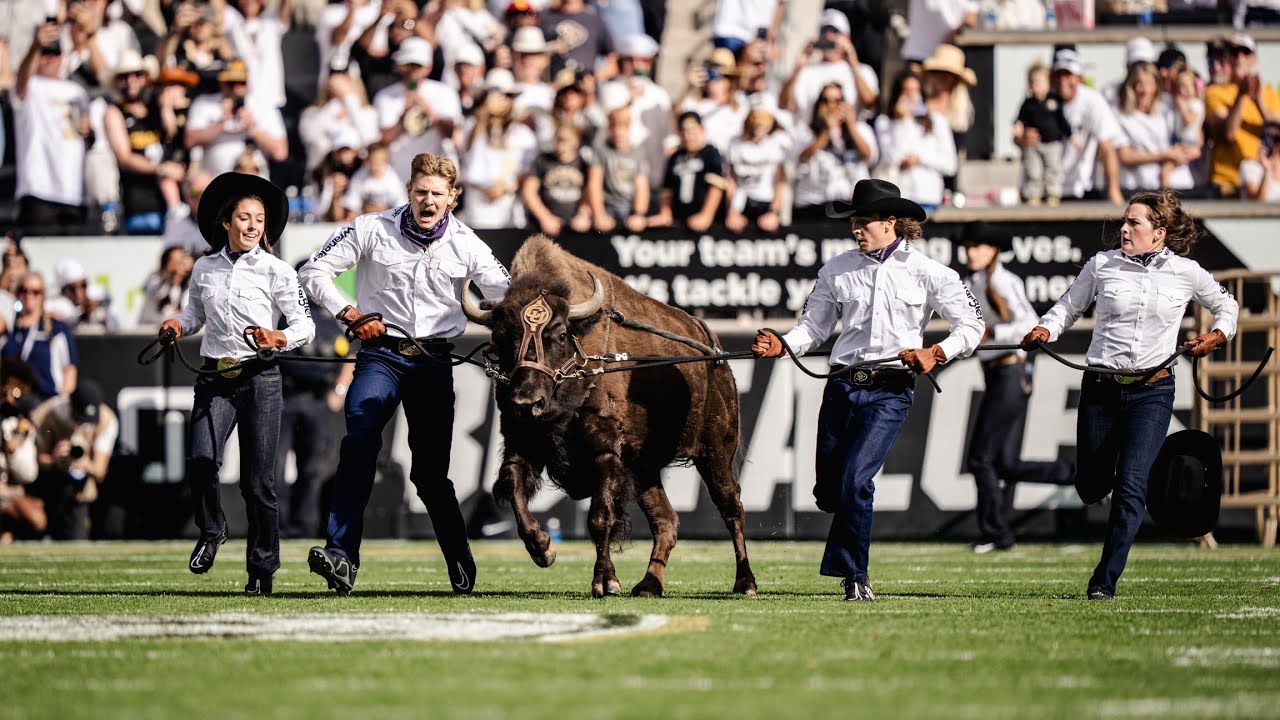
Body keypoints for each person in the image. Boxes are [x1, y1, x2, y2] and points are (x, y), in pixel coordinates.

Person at [752, 179, 984, 601]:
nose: (856, 229)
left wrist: (938, 352)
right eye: (853, 222)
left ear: (891, 223)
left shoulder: (932, 272)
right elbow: (814, 326)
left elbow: (972, 325)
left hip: (890, 389)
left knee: (857, 480)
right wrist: (783, 345)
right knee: (830, 490)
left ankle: (855, 575)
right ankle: (847, 545)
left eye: (863, 221)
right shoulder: (836, 269)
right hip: (842, 385)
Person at [298, 152, 510, 595]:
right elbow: (313, 271)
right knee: (359, 440)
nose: (427, 201)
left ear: (453, 198)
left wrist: (505, 332)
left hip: (433, 362)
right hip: (380, 354)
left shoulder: (470, 245)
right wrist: (350, 313)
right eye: (420, 192)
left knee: (430, 474)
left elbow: (509, 296)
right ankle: (340, 556)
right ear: (408, 192)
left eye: (437, 194)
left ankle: (459, 559)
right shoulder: (371, 227)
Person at [1020, 190, 1239, 600]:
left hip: (1153, 390)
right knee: (1090, 486)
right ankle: (1140, 475)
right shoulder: (1102, 265)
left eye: (1133, 223)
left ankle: (1104, 580)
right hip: (1101, 388)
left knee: (1130, 484)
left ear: (1158, 233)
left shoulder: (1187, 272)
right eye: (1124, 220)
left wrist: (1215, 335)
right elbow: (1068, 307)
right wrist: (1045, 329)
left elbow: (1229, 308)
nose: (1124, 228)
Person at [159, 172, 316, 595]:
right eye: (244, 218)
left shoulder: (279, 270)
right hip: (214, 377)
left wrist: (279, 337)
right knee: (201, 461)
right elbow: (194, 315)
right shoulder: (204, 267)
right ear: (226, 222)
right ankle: (212, 529)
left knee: (257, 483)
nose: (252, 226)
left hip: (261, 379)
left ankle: (261, 571)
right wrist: (178, 323)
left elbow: (305, 325)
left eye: (260, 219)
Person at [961, 222, 1074, 554]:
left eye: (978, 246)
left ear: (993, 250)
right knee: (1004, 463)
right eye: (968, 247)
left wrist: (993, 336)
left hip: (1011, 374)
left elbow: (1028, 325)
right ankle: (1078, 476)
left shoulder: (1004, 281)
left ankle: (996, 533)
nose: (970, 252)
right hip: (997, 374)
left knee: (981, 459)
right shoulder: (973, 282)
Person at [275, 262, 354, 539]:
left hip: (318, 399)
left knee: (313, 468)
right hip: (284, 396)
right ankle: (276, 526)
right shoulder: (282, 314)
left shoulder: (333, 315)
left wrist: (340, 390)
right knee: (276, 468)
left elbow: (351, 355)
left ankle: (304, 526)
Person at [13, 21, 92, 234]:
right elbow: (21, 80)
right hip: (39, 189)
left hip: (75, 192)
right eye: (45, 53)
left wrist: (88, 128)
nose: (49, 59)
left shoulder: (78, 91)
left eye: (55, 54)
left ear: (63, 58)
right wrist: (35, 46)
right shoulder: (30, 86)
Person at [28, 381, 118, 540]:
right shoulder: (45, 415)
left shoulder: (107, 421)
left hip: (78, 491)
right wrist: (55, 459)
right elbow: (35, 462)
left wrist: (85, 464)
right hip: (46, 484)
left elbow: (100, 472)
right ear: (70, 405)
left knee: (75, 537)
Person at [1046, 49, 1127, 204]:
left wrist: (1113, 191)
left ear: (1079, 78)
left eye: (1068, 75)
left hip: (1079, 189)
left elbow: (1107, 145)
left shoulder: (1092, 100)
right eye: (1058, 75)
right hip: (1047, 188)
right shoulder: (1042, 100)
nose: (1063, 81)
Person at [1204, 33, 1280, 197]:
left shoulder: (1268, 93)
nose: (1240, 57)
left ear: (1254, 59)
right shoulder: (1214, 92)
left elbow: (1276, 129)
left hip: (1261, 182)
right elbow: (1229, 134)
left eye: (1245, 52)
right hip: (1226, 184)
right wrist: (1241, 95)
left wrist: (1259, 102)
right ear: (1228, 58)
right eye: (1234, 52)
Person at [0, 272, 78, 403]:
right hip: (16, 400)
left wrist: (62, 400)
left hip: (47, 400)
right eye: (24, 291)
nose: (29, 296)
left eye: (35, 292)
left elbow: (69, 369)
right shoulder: (12, 328)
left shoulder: (55, 328)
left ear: (42, 296)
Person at [648, 111, 728, 232]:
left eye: (692, 131)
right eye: (683, 131)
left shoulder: (711, 153)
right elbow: (667, 190)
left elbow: (716, 187)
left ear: (702, 129)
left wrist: (706, 216)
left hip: (708, 226)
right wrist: (666, 213)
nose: (688, 136)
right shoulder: (675, 157)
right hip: (680, 222)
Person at [521, 122, 593, 237]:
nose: (560, 145)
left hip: (575, 226)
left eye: (565, 140)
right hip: (545, 227)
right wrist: (545, 217)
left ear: (576, 141)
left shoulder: (583, 163)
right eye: (557, 139)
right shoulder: (543, 160)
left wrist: (584, 214)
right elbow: (529, 192)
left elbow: (591, 192)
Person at [1015, 61, 1072, 205]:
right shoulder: (1028, 104)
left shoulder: (1054, 100)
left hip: (1053, 143)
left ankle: (1052, 193)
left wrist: (1071, 135)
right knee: (1034, 170)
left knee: (1052, 170)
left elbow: (1062, 121)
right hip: (1034, 144)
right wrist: (1019, 129)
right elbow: (1019, 120)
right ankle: (1034, 194)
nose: (1036, 86)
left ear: (1048, 83)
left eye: (1040, 82)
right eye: (1033, 83)